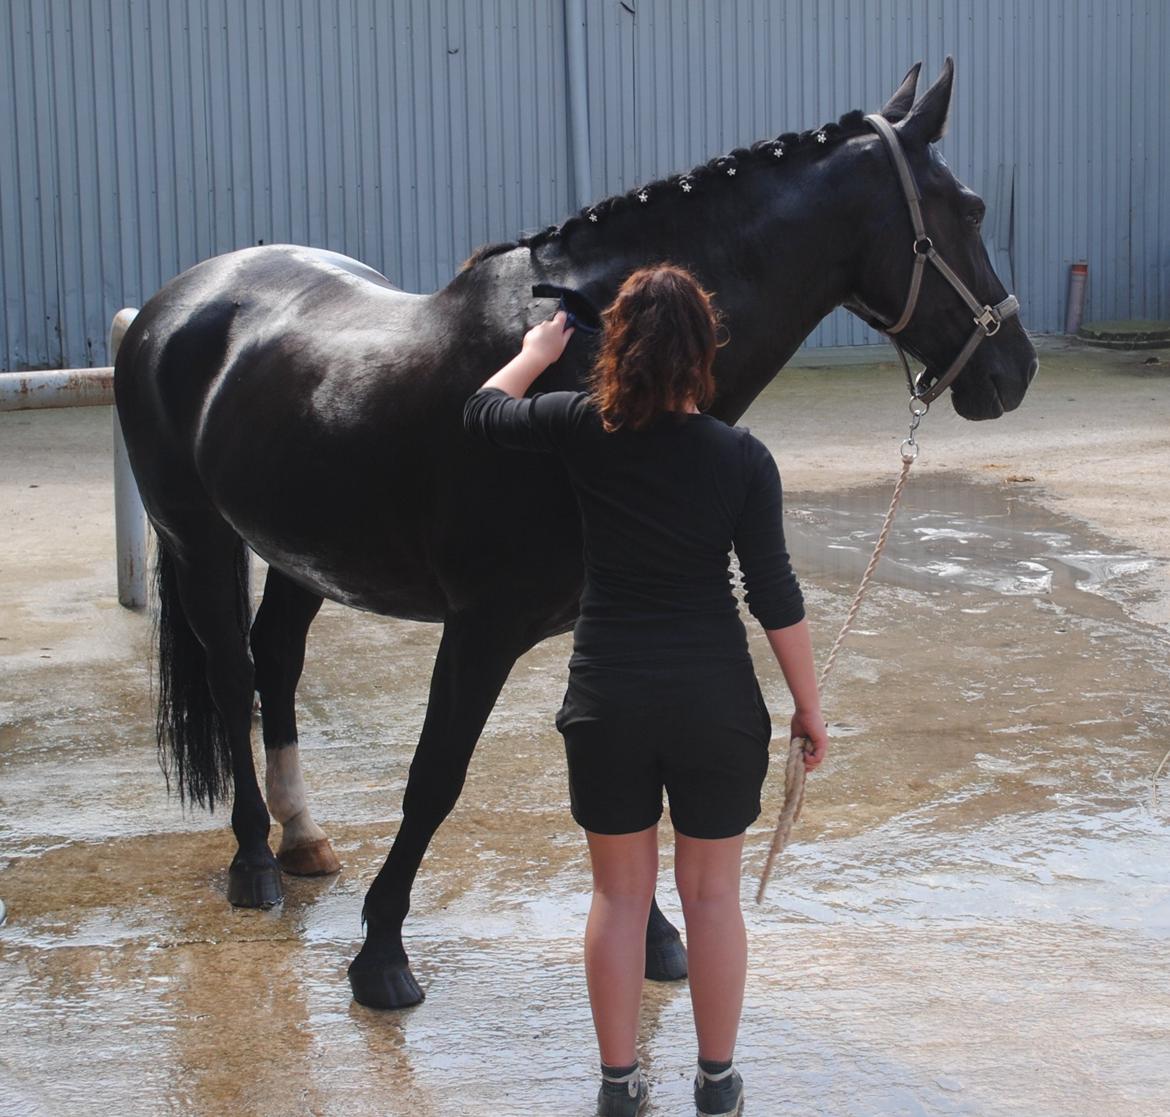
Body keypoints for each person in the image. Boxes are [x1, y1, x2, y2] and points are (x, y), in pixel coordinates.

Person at [463, 264, 828, 1117]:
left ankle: (620, 1086)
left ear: (618, 346)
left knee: (620, 896)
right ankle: (717, 1082)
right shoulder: (742, 459)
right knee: (711, 897)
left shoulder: (581, 427)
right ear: (706, 352)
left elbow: (481, 412)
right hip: (714, 705)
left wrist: (532, 352)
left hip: (608, 699)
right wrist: (808, 706)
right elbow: (774, 593)